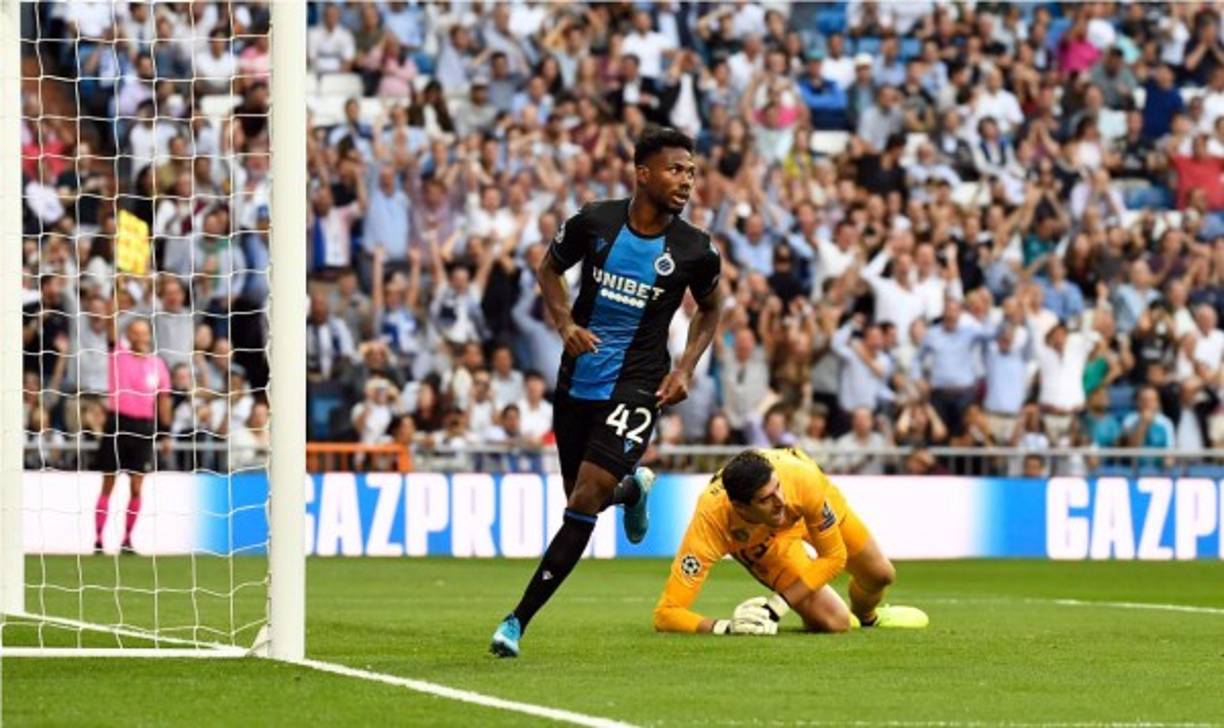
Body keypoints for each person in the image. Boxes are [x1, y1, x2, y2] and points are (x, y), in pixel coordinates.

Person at [491, 126, 723, 658]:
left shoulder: (694, 249)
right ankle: (634, 489)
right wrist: (565, 322)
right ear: (643, 173)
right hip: (580, 377)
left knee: (587, 495)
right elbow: (549, 269)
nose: (686, 180)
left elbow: (712, 310)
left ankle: (516, 621)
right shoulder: (595, 222)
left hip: (639, 383)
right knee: (581, 497)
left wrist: (685, 367)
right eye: (674, 169)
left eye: (690, 170)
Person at [653, 448, 928, 635]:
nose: (780, 501)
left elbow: (833, 557)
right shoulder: (711, 520)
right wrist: (724, 627)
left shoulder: (799, 480)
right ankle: (836, 611)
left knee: (880, 575)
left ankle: (869, 618)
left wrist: (777, 606)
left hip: (812, 505)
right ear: (741, 507)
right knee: (836, 621)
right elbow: (666, 613)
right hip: (766, 543)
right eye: (766, 499)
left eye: (777, 488)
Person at [94, 319, 172, 554]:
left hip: (144, 428)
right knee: (108, 483)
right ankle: (98, 540)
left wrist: (165, 433)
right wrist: (118, 288)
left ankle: (127, 540)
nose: (140, 336)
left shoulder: (158, 365)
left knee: (137, 486)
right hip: (118, 423)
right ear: (128, 335)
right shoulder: (118, 354)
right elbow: (109, 323)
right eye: (135, 332)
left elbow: (164, 400)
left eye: (143, 332)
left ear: (149, 335)